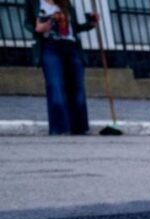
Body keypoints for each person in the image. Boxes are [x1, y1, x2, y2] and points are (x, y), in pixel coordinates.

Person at [24, 0, 96, 135]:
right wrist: (37, 29)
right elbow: (28, 23)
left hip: (72, 47)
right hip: (49, 46)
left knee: (77, 87)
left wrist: (90, 24)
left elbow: (74, 27)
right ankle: (59, 128)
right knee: (55, 85)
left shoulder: (65, 3)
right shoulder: (34, 2)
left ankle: (80, 128)